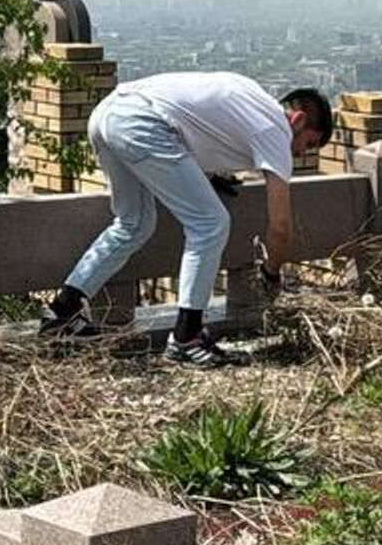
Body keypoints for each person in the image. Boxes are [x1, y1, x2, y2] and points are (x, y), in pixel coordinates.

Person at [38, 73, 332, 367]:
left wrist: (206, 176)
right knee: (210, 223)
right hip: (143, 123)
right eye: (308, 143)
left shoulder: (254, 97)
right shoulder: (277, 131)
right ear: (298, 120)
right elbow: (280, 228)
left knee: (134, 223)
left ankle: (63, 311)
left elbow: (195, 120)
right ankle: (186, 339)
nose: (300, 153)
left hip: (108, 113)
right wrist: (271, 274)